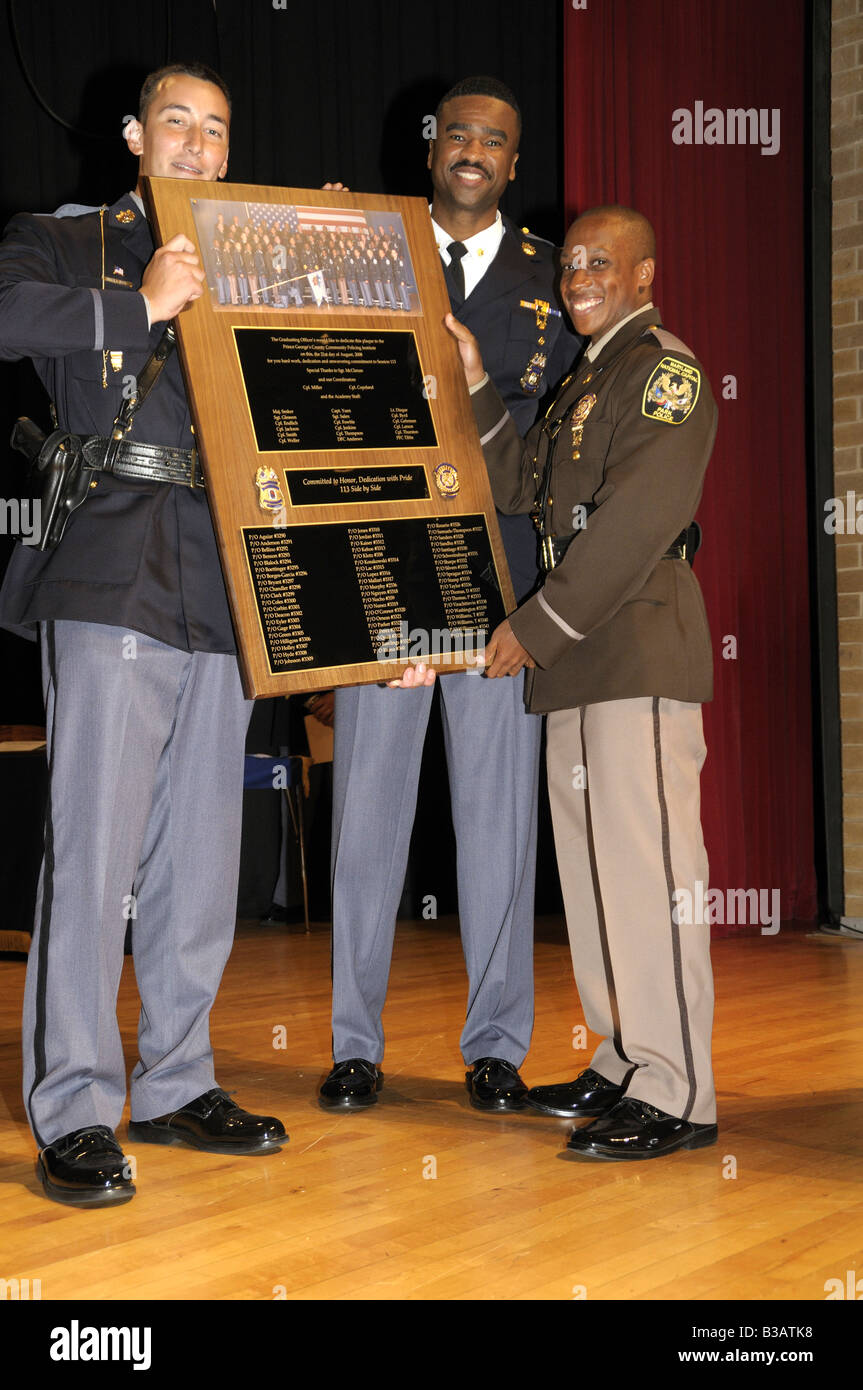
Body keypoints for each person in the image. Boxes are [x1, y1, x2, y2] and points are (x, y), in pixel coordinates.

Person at [0, 62, 288, 1208]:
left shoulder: (260, 260)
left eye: (218, 131)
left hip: (222, 577)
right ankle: (74, 1104)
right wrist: (143, 306)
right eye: (178, 123)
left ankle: (174, 1081)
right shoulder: (69, 242)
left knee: (201, 853)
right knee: (96, 852)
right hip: (113, 565)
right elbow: (7, 312)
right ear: (134, 137)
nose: (199, 146)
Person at [320, 76, 580, 1112]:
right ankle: (351, 1043)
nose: (473, 150)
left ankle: (496, 1045)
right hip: (382, 573)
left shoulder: (556, 277)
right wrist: (312, 242)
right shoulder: (363, 245)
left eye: (496, 141)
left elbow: (561, 441)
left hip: (499, 585)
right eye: (458, 134)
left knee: (497, 822)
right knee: (365, 819)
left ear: (514, 165)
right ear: (432, 149)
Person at [448, 205, 718, 1159]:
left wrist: (534, 627)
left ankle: (677, 1086)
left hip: (633, 639)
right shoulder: (585, 377)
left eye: (601, 262)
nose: (580, 276)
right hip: (580, 658)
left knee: (649, 874)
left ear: (645, 274)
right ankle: (622, 1061)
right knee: (598, 879)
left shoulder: (665, 373)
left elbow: (638, 522)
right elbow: (520, 483)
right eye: (569, 264)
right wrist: (481, 385)